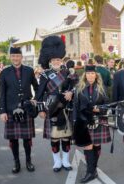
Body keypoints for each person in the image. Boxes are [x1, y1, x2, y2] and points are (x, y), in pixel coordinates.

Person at [35, 36, 74, 172]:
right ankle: (57, 161)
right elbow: (39, 94)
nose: (57, 61)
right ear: (50, 61)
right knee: (55, 138)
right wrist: (40, 109)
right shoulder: (45, 75)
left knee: (66, 137)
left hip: (66, 109)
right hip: (51, 108)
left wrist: (71, 93)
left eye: (59, 59)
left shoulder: (68, 73)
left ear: (61, 60)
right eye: (54, 60)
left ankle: (66, 161)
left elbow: (76, 87)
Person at [0, 47, 38, 173]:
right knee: (13, 139)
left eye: (17, 56)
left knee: (27, 139)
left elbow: (37, 88)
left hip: (26, 109)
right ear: (10, 57)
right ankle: (16, 163)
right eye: (13, 56)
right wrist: (2, 111)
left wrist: (36, 99)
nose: (15, 58)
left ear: (21, 57)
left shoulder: (29, 70)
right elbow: (2, 94)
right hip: (11, 110)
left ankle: (28, 161)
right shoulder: (4, 72)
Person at [73, 65, 111, 183]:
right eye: (88, 73)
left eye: (92, 73)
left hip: (98, 120)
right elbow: (75, 106)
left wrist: (99, 110)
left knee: (96, 145)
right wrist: (75, 121)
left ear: (96, 75)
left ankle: (93, 169)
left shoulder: (101, 88)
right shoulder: (79, 88)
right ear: (85, 75)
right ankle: (90, 172)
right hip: (84, 120)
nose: (90, 75)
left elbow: (107, 104)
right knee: (88, 145)